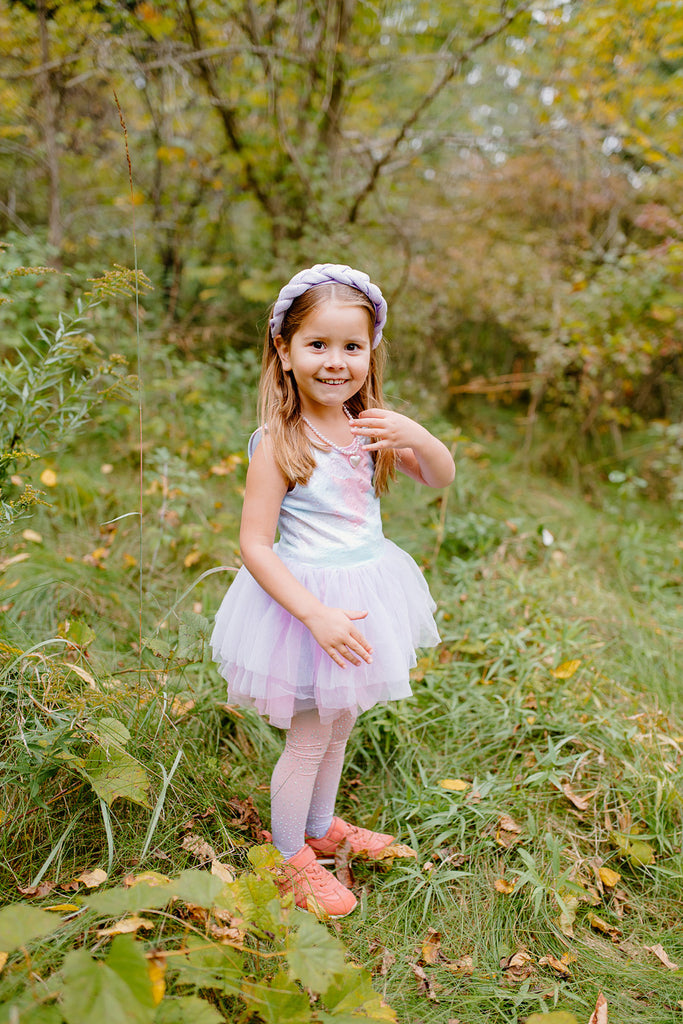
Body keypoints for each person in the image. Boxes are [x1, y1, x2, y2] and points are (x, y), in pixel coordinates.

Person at [211, 263, 455, 918]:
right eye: (317, 344)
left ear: (368, 352)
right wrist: (313, 613)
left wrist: (419, 436)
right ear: (285, 353)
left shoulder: (372, 425)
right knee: (311, 733)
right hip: (307, 605)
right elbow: (254, 545)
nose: (335, 361)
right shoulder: (279, 441)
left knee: (341, 721)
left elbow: (438, 477)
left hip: (367, 592)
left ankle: (321, 826)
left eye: (351, 346)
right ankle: (286, 854)